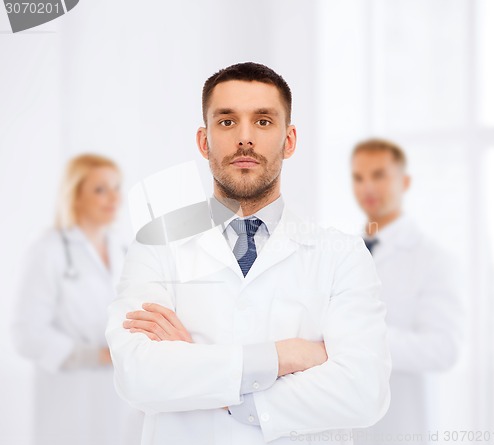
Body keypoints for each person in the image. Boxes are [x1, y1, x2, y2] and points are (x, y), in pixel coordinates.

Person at [106, 62, 391, 445]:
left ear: (289, 141)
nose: (244, 138)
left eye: (263, 122)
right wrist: (284, 357)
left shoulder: (341, 254)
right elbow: (137, 376)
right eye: (226, 122)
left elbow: (363, 392)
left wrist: (209, 381)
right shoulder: (157, 242)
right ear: (204, 140)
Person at [12, 154, 142, 445]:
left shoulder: (124, 248)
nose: (114, 198)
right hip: (70, 396)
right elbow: (25, 333)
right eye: (100, 189)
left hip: (120, 397)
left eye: (117, 187)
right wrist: (92, 355)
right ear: (75, 196)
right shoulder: (47, 249)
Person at [350, 139, 464, 445]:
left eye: (379, 175)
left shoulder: (432, 258)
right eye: (359, 178)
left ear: (405, 181)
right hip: (346, 423)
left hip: (402, 425)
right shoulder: (344, 251)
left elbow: (444, 348)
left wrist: (361, 340)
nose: (368, 188)